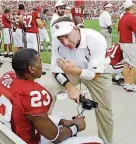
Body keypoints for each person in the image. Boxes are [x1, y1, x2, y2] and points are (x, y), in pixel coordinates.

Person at [0, 49, 103, 144]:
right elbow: (55, 137)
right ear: (31, 69)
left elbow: (26, 113)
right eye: (40, 62)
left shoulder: (7, 77)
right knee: (97, 141)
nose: (41, 65)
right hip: (23, 140)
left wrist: (62, 121)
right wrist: (77, 126)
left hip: (5, 134)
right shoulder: (34, 93)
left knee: (59, 119)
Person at [48, 16, 113, 144]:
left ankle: (106, 142)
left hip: (98, 73)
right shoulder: (57, 43)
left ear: (76, 28)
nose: (65, 42)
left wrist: (76, 71)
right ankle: (42, 129)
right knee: (48, 87)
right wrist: (70, 87)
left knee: (104, 111)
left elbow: (95, 75)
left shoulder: (95, 38)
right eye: (60, 39)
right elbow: (55, 70)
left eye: (67, 36)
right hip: (72, 70)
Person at [118, 0, 136, 92]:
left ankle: (127, 83)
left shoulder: (122, 17)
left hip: (123, 43)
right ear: (132, 7)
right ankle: (130, 84)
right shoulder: (132, 17)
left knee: (126, 63)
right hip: (131, 43)